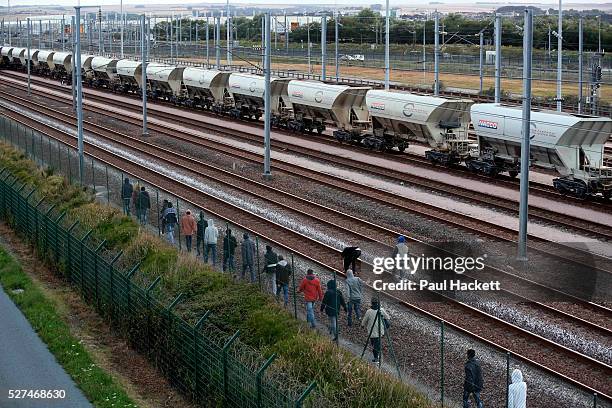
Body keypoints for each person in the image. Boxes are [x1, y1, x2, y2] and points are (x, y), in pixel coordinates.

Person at [361, 299, 390, 363]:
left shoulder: (368, 311)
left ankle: (376, 357)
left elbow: (364, 320)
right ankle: (377, 355)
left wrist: (362, 325)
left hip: (371, 331)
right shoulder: (381, 310)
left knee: (374, 344)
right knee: (377, 344)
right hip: (380, 330)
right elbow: (388, 317)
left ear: (372, 303)